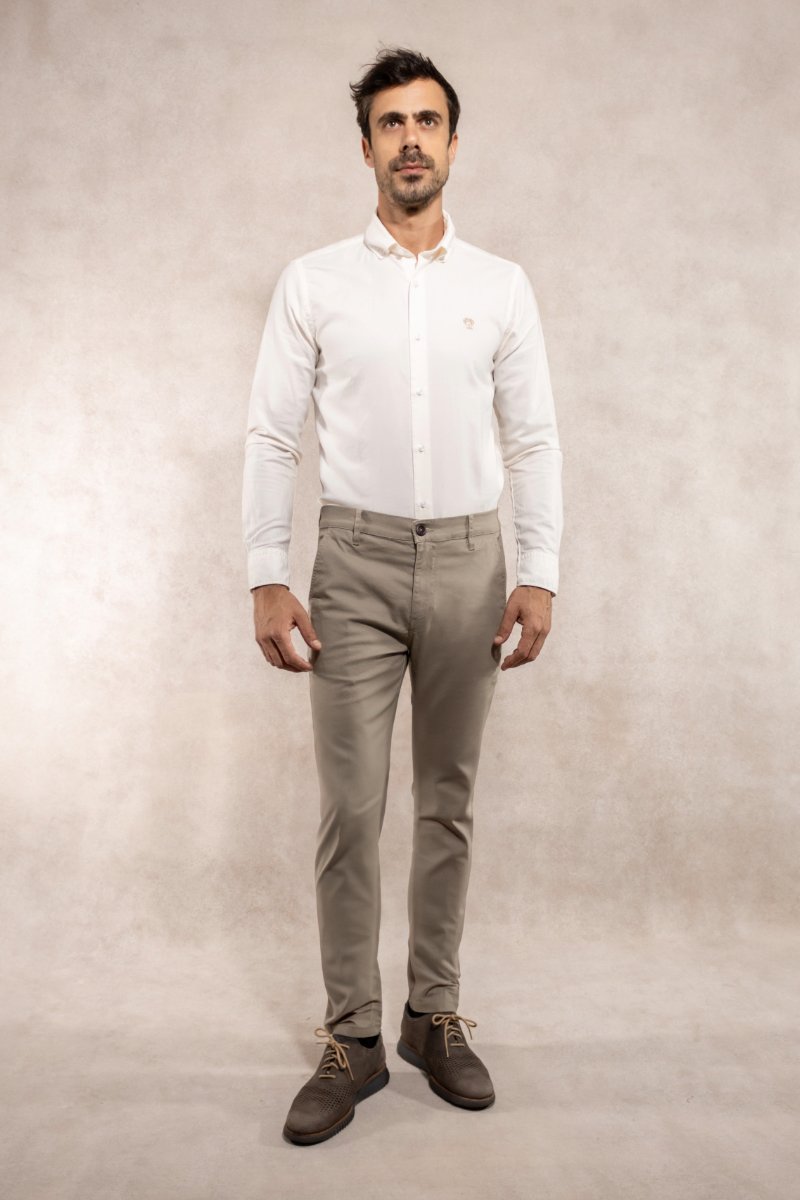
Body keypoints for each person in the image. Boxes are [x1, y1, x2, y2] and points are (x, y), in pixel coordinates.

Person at [242, 46, 564, 1145]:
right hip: (355, 564)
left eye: (428, 121)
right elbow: (271, 434)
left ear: (453, 144)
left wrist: (538, 572)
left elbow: (532, 438)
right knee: (351, 807)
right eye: (392, 123)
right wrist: (267, 572)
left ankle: (433, 1016)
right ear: (367, 146)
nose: (411, 139)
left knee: (447, 801)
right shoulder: (314, 282)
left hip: (473, 563)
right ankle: (353, 1036)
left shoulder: (500, 286)